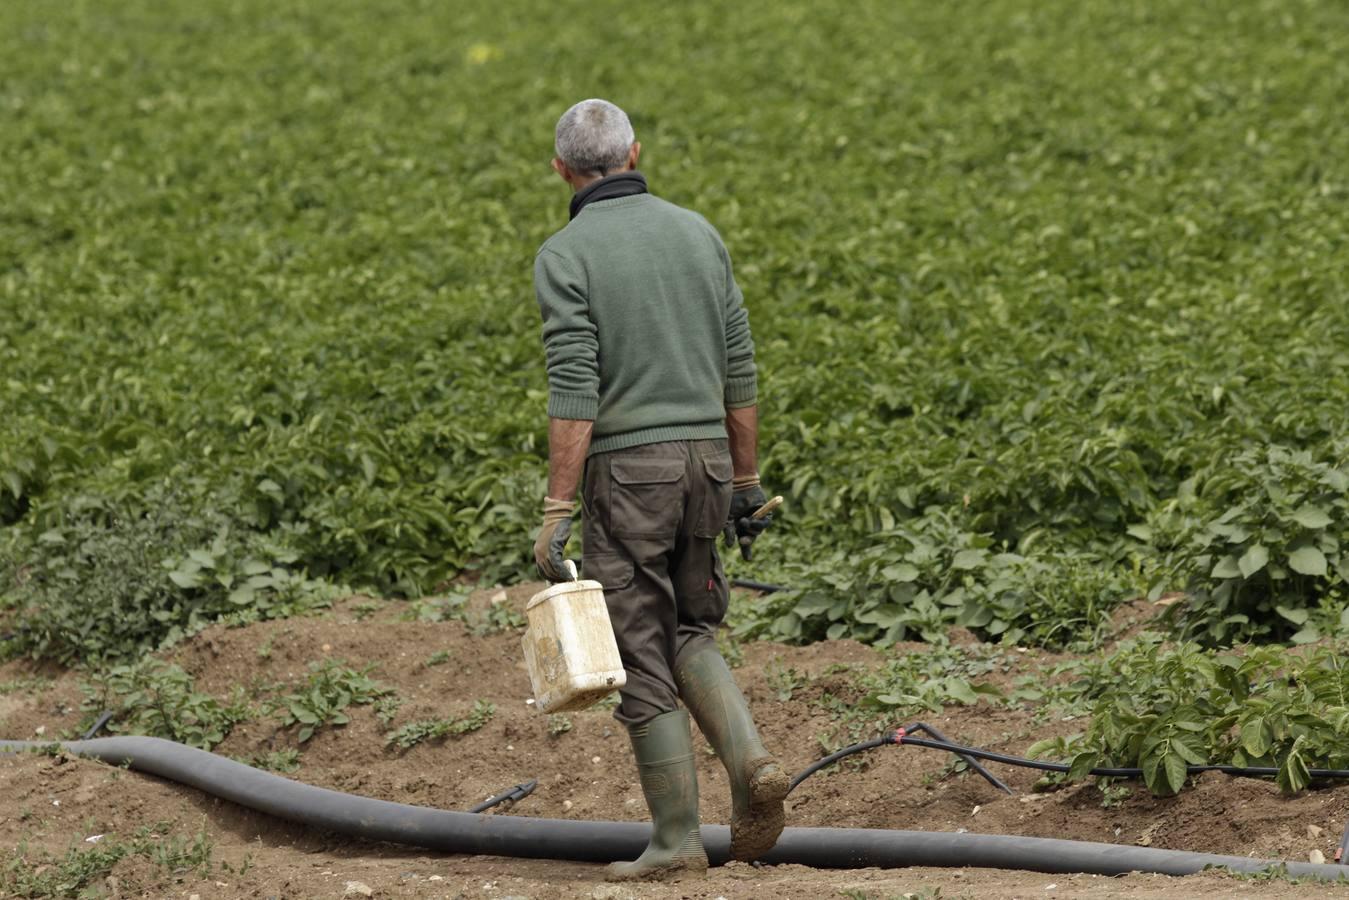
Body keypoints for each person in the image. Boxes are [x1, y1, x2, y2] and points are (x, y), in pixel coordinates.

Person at [531, 98, 785, 881]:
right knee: (691, 632)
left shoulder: (565, 254)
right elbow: (738, 370)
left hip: (631, 478)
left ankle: (677, 840)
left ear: (561, 170)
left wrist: (555, 510)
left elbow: (576, 393)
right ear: (635, 152)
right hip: (708, 463)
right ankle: (750, 765)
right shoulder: (697, 233)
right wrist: (743, 479)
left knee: (639, 649)